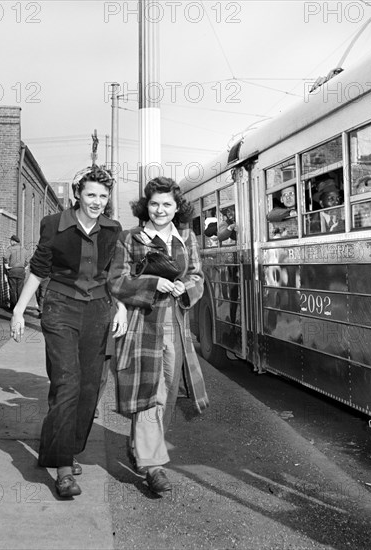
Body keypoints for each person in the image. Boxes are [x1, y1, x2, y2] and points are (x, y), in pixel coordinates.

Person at [10, 165, 126, 499]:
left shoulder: (112, 229)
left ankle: (57, 448)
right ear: (77, 194)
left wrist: (120, 305)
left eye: (103, 196)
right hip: (60, 307)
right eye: (91, 195)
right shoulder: (54, 226)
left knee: (90, 387)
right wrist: (19, 310)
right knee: (67, 383)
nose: (97, 202)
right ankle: (62, 468)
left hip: (98, 311)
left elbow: (111, 274)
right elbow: (38, 269)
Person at [108, 177, 209, 496]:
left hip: (175, 323)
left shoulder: (187, 238)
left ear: (177, 207)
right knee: (149, 391)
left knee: (167, 393)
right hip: (142, 324)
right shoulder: (130, 238)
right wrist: (152, 283)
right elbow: (116, 281)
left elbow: (197, 276)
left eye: (167, 204)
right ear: (145, 206)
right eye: (154, 204)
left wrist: (185, 288)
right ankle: (153, 466)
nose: (160, 210)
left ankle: (140, 446)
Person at [4, 235, 28, 311]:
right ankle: (20, 307)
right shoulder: (24, 249)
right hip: (21, 271)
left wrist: (7, 266)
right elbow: (27, 260)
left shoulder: (10, 249)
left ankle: (13, 306)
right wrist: (25, 267)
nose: (10, 242)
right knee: (20, 289)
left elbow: (5, 258)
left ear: (14, 241)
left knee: (12, 289)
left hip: (13, 270)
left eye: (11, 240)